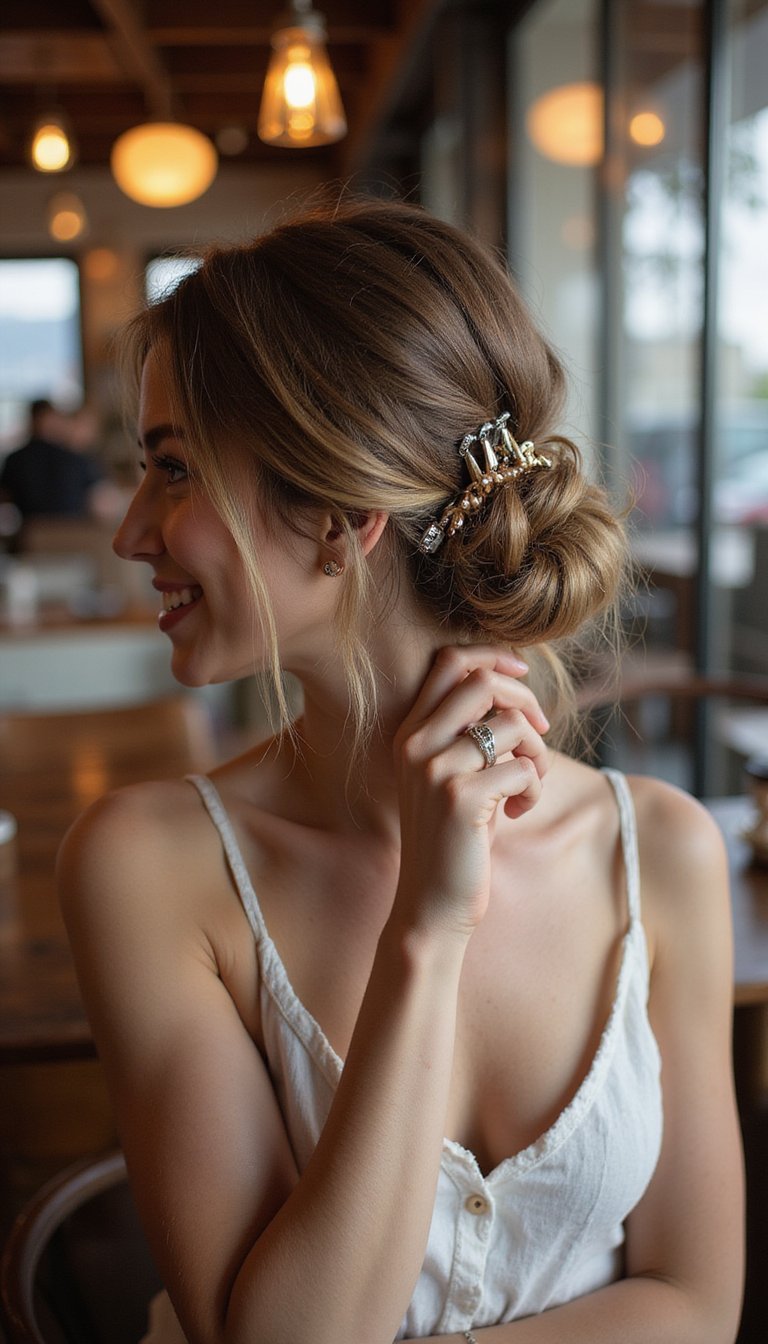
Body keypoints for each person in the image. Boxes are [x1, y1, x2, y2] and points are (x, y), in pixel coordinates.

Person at [58, 199, 744, 1344]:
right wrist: (425, 930)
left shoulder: (662, 855)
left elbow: (698, 1305)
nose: (133, 531)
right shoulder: (146, 869)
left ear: (338, 514)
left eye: (171, 469)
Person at [0, 398, 107, 520]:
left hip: (31, 533)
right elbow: (100, 503)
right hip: (74, 531)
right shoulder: (76, 459)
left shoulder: (15, 459)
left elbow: (4, 498)